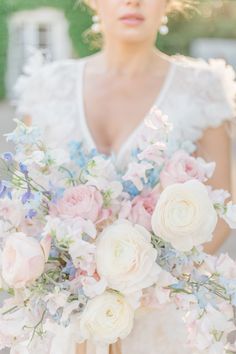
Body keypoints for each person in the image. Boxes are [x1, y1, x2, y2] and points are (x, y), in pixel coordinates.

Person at [14, 0, 236, 353]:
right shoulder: (45, 88)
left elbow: (224, 206)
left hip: (161, 319)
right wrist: (72, 278)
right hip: (65, 321)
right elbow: (25, 205)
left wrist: (140, 282)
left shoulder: (202, 88)